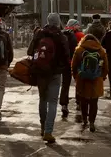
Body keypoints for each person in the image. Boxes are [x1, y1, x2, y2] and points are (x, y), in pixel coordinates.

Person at [27, 13, 69, 143]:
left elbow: (30, 51)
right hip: (55, 74)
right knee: (52, 102)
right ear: (57, 22)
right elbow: (66, 55)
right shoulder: (61, 36)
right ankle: (48, 132)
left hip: (40, 72)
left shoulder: (39, 33)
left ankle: (42, 126)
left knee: (42, 100)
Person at [72, 34, 109, 133]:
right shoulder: (101, 51)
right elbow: (106, 67)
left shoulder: (79, 50)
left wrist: (76, 77)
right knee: (94, 102)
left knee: (83, 101)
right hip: (96, 80)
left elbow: (74, 65)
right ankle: (92, 122)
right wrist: (102, 77)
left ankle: (85, 120)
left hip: (82, 80)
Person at [60, 20, 79, 118]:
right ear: (73, 26)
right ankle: (78, 102)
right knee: (75, 82)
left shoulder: (61, 34)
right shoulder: (73, 36)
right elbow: (75, 50)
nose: (78, 26)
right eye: (77, 25)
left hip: (61, 63)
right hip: (70, 63)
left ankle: (64, 104)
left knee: (64, 84)